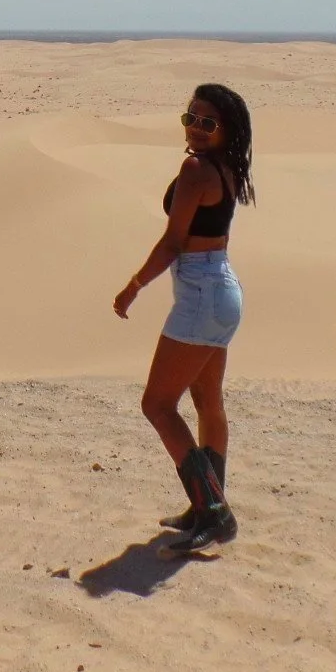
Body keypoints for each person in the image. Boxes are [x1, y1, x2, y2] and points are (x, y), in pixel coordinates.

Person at [113, 82, 253, 552]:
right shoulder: (228, 167)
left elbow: (174, 242)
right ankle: (204, 504)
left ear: (224, 129)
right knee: (207, 402)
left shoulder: (195, 169)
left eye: (207, 122)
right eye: (190, 118)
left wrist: (134, 284)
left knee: (157, 404)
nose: (195, 127)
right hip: (221, 289)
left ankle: (215, 511)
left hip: (200, 293)